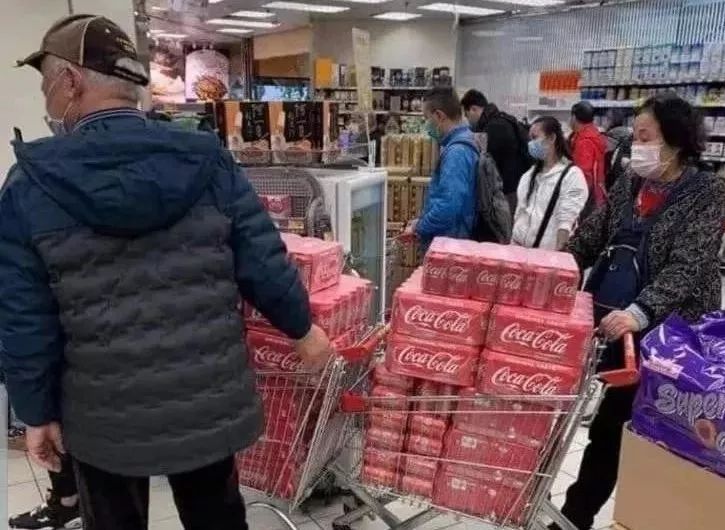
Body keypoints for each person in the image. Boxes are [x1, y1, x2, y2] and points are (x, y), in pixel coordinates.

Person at [1, 14, 332, 530]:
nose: (46, 99)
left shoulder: (30, 185)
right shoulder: (206, 159)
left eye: (47, 85)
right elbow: (262, 259)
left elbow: (24, 316)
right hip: (206, 397)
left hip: (101, 412)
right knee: (217, 519)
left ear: (71, 81)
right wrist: (303, 330)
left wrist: (35, 411)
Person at [552, 94, 725, 530]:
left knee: (639, 431)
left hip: (671, 336)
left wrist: (641, 310)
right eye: (635, 136)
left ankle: (596, 515)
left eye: (645, 136)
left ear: (675, 140)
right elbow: (591, 236)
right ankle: (576, 516)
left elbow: (689, 264)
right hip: (618, 327)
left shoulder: (708, 192)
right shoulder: (632, 183)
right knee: (608, 427)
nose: (637, 145)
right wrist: (551, 271)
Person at [404, 87, 479, 248]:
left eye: (426, 118)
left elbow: (448, 207)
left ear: (439, 116)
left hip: (450, 244)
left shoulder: (457, 152)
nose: (426, 124)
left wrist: (419, 227)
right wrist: (421, 221)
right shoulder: (463, 141)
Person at [511, 116, 588, 250]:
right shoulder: (529, 176)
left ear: (552, 138)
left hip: (548, 255)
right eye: (530, 139)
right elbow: (520, 214)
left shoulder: (572, 176)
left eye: (535, 138)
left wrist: (558, 257)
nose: (531, 144)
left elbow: (566, 223)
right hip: (520, 251)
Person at [461, 89, 531, 231]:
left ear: (474, 109)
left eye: (467, 116)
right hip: (514, 188)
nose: (468, 121)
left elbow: (489, 166)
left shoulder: (494, 127)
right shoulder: (502, 120)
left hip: (507, 193)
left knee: (504, 231)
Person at [569, 101, 607, 211]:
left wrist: (575, 199)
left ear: (574, 117)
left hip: (588, 198)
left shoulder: (585, 142)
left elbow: (584, 175)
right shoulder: (592, 133)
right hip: (597, 192)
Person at [603, 108, 633, 191]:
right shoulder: (628, 134)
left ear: (611, 120)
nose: (604, 122)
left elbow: (607, 157)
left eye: (606, 119)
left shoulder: (611, 135)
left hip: (612, 178)